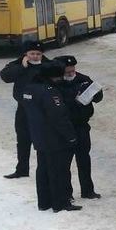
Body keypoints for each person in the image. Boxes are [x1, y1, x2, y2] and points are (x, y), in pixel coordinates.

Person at [21, 61, 81, 212]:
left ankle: (44, 201)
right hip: (54, 138)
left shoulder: (29, 89)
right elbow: (58, 116)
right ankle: (60, 203)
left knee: (43, 170)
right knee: (58, 172)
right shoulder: (49, 92)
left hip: (38, 136)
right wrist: (71, 136)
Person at [54, 55, 102, 199]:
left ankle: (87, 190)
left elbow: (98, 97)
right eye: (67, 71)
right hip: (65, 128)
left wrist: (95, 93)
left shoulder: (83, 79)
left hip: (82, 126)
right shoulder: (56, 82)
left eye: (72, 70)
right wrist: (74, 102)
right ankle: (66, 193)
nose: (71, 74)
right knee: (64, 162)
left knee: (84, 159)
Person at [0, 41, 47, 179]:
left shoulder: (47, 65)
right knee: (23, 139)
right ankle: (22, 169)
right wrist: (22, 66)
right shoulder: (18, 64)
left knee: (41, 140)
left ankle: (43, 169)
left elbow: (59, 70)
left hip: (42, 110)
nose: (35, 57)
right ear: (26, 54)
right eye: (32, 54)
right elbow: (5, 76)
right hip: (24, 108)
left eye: (38, 54)